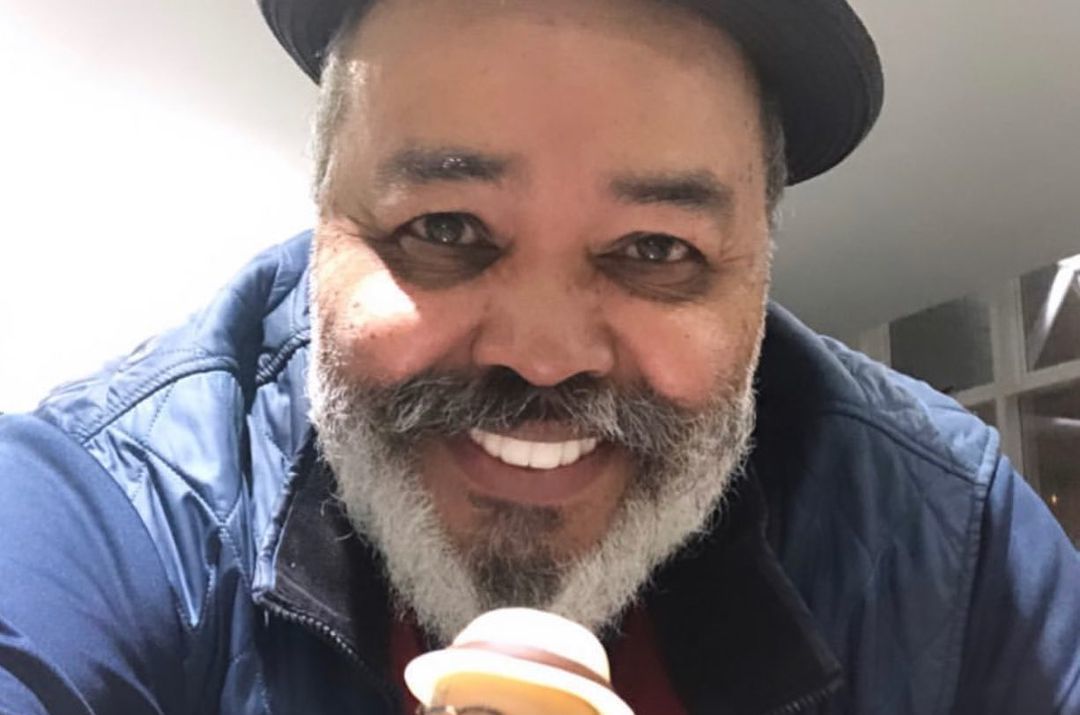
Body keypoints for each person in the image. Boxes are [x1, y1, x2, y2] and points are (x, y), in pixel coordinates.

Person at [0, 0, 1076, 713]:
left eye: (655, 248)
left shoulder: (949, 541)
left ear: (760, 272)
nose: (545, 355)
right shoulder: (108, 515)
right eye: (446, 228)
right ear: (322, 225)